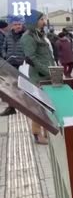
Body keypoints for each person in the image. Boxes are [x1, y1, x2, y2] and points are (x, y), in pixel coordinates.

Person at [21, 9, 55, 144]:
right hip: (38, 76)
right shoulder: (28, 37)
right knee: (38, 106)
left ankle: (48, 131)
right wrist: (47, 71)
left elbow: (46, 54)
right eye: (41, 19)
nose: (44, 22)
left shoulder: (39, 34)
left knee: (48, 105)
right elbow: (32, 58)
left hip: (46, 75)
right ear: (34, 21)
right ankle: (36, 134)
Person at [1, 15, 26, 116]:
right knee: (10, 87)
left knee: (23, 87)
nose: (17, 26)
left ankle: (27, 108)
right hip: (10, 63)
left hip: (22, 65)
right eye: (15, 24)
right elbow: (4, 47)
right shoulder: (8, 35)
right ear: (12, 25)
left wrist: (24, 58)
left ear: (22, 24)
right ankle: (11, 107)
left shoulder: (26, 35)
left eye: (19, 24)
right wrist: (5, 55)